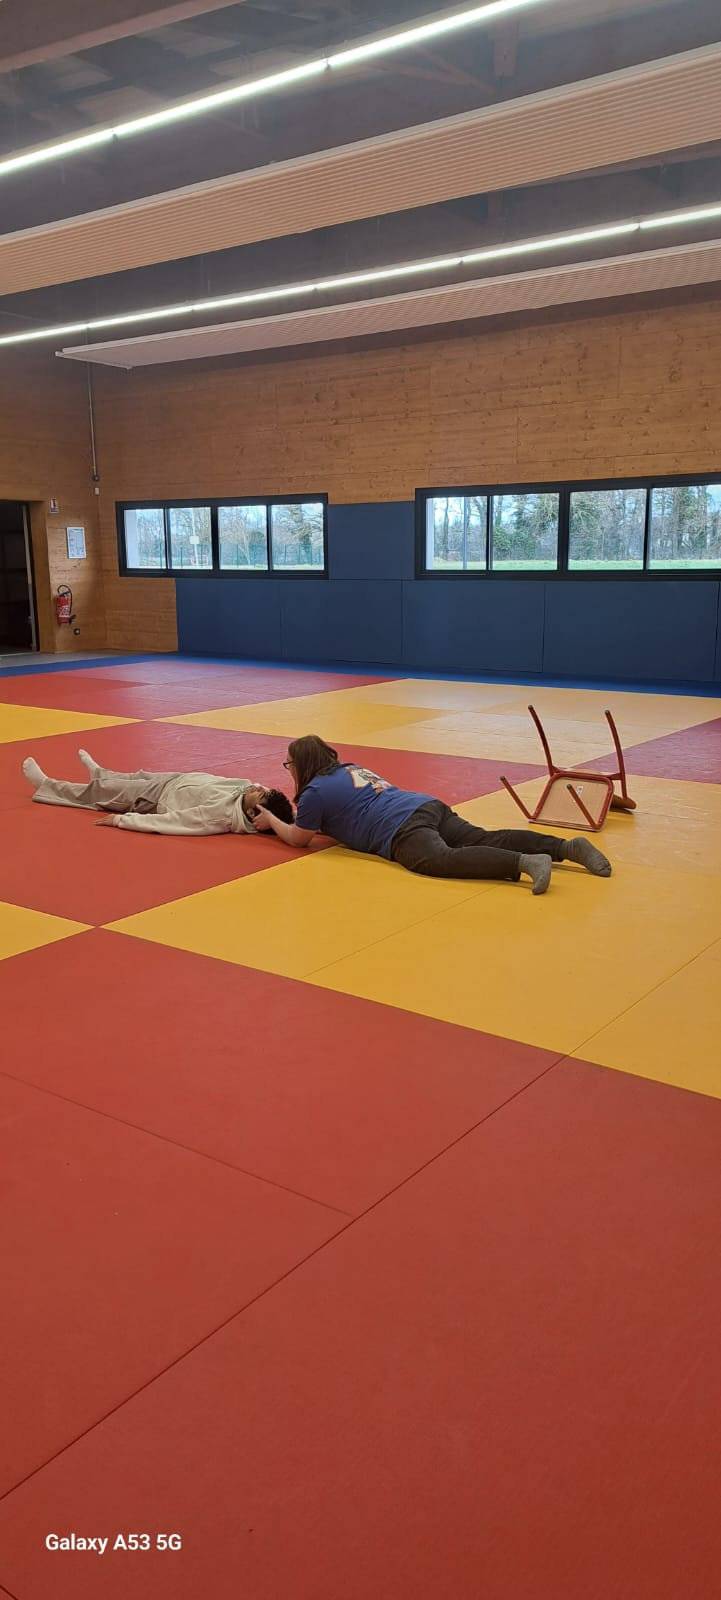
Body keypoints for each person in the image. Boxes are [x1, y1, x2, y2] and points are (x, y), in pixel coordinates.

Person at [254, 734, 612, 895]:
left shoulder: (315, 792)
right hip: (423, 805)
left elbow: (299, 839)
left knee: (438, 860)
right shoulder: (349, 769)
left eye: (288, 764)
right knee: (482, 837)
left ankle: (524, 862)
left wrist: (271, 820)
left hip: (400, 829)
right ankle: (566, 847)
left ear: (302, 764)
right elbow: (342, 815)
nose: (288, 769)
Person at [22, 749, 293, 837]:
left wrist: (122, 820)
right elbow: (273, 803)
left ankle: (46, 786)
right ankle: (100, 774)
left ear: (252, 814)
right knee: (130, 778)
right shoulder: (248, 793)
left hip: (158, 799)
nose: (258, 787)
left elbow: (175, 822)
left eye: (260, 794)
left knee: (104, 794)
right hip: (175, 780)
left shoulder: (220, 816)